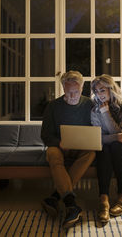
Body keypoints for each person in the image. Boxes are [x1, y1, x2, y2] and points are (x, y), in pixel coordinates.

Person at [41, 70, 96, 229]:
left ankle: (55, 196)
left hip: (82, 148)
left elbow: (97, 128)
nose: (73, 96)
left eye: (76, 92)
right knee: (51, 153)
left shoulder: (90, 104)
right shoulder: (53, 106)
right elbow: (45, 135)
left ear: (82, 88)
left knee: (91, 153)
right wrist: (59, 143)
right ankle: (71, 203)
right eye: (69, 92)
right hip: (60, 147)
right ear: (63, 89)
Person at [91, 74, 122, 223]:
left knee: (116, 145)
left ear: (111, 89)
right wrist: (114, 137)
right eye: (96, 91)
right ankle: (104, 200)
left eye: (102, 90)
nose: (99, 95)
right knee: (105, 148)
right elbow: (98, 137)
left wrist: (106, 113)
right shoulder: (94, 110)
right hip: (109, 144)